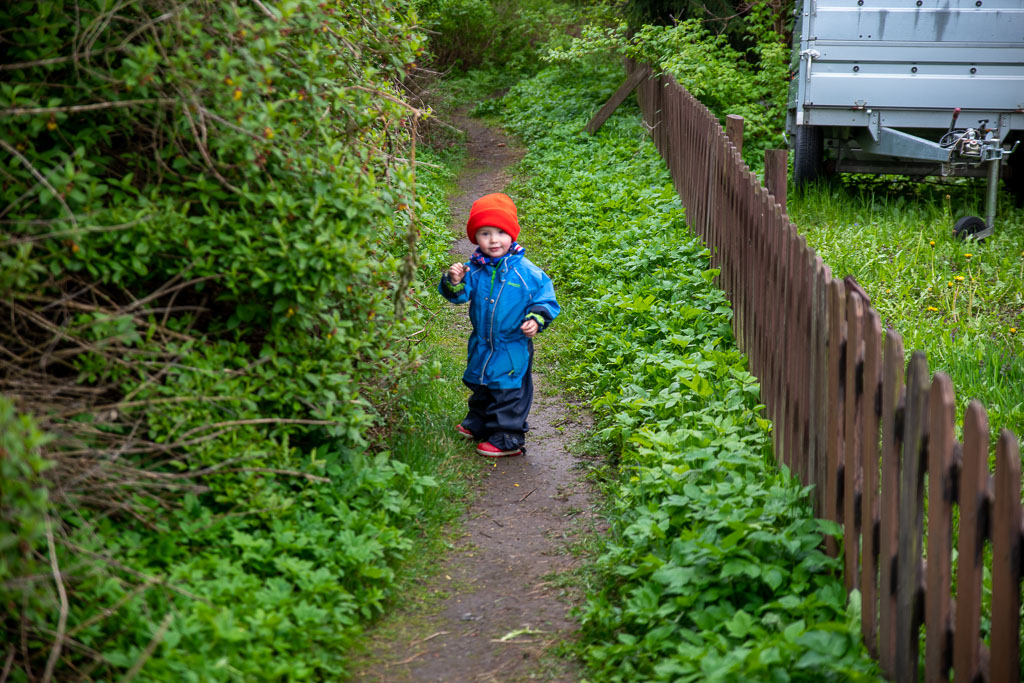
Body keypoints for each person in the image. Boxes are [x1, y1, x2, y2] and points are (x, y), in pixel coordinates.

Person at [438, 192, 560, 457]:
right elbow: (459, 297)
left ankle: (507, 435)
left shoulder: (526, 271)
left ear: (512, 235)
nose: (494, 240)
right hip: (483, 341)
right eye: (485, 233)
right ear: (475, 238)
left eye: (501, 233)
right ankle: (480, 421)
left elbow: (545, 298)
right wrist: (455, 281)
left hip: (511, 344)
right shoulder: (475, 268)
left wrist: (536, 318)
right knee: (481, 382)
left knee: (509, 389)